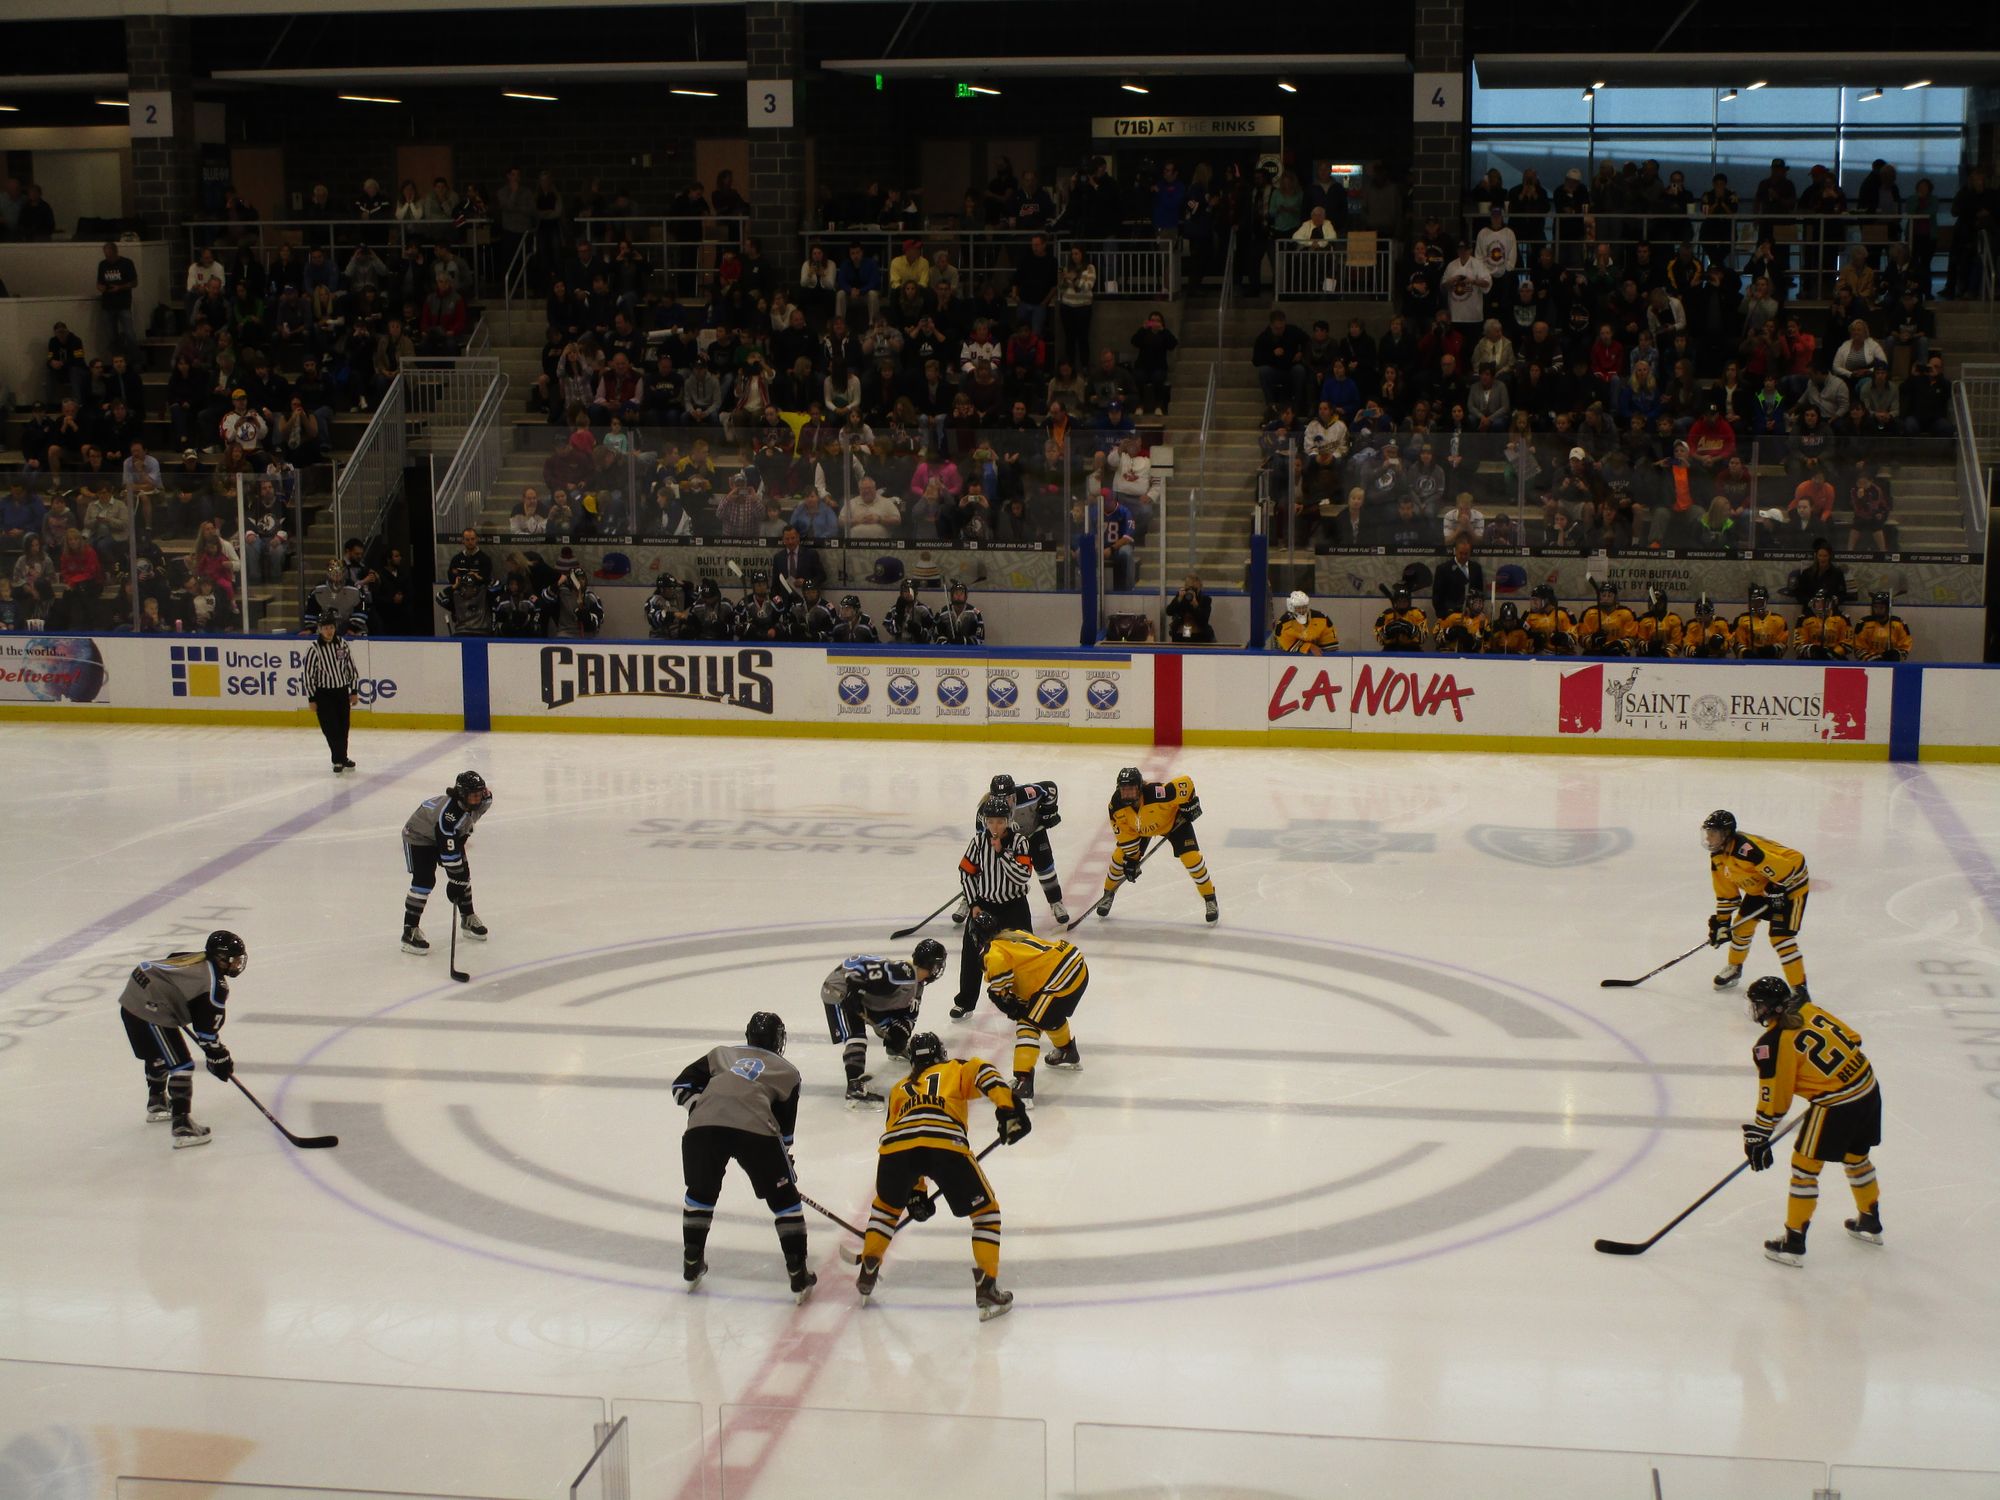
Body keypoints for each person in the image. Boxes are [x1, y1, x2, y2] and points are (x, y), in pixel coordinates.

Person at [853, 1031, 1026, 1320]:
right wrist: (1007, 1108)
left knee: (885, 1210)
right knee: (986, 1215)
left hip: (895, 1149)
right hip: (945, 1142)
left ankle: (869, 1266)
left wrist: (915, 1192)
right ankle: (987, 1288)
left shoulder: (899, 1088)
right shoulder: (954, 1068)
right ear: (941, 1053)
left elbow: (900, 1135)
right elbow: (985, 1072)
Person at [672, 1012, 815, 1303]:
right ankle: (798, 1272)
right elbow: (784, 1131)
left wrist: (704, 1107)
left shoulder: (721, 1054)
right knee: (785, 1202)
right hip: (756, 1132)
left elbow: (681, 1085)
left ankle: (691, 1261)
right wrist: (784, 1166)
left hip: (703, 1129)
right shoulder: (788, 1072)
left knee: (700, 1194)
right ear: (779, 1040)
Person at [1741, 977, 1883, 1268]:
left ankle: (1793, 1243)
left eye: (1757, 1005)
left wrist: (1759, 1134)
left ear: (1769, 1008)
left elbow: (1776, 1099)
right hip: (1867, 1087)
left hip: (1837, 1104)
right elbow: (1854, 1039)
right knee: (1856, 1157)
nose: (1754, 1010)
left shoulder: (1772, 1044)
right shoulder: (1809, 1009)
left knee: (1804, 1169)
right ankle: (1870, 1221)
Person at [113, 930, 247, 1149]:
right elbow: (207, 1034)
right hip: (150, 1008)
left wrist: (174, 999)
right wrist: (219, 1057)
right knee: (182, 1065)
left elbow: (171, 960)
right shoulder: (215, 987)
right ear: (222, 959)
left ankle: (157, 1103)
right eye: (235, 959)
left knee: (157, 1054)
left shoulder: (196, 957)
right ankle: (182, 1125)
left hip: (134, 996)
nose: (238, 964)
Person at [975, 911, 1087, 1109]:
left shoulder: (993, 952)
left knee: (1028, 1023)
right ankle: (1066, 1051)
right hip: (1075, 964)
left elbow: (1004, 993)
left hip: (1059, 980)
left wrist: (1002, 999)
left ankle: (1023, 1082)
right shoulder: (1013, 934)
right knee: (1045, 1013)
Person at [821, 942, 949, 1107]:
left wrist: (899, 1035)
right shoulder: (904, 973)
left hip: (865, 995)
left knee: (894, 1027)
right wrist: (854, 992)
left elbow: (908, 1014)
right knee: (856, 1036)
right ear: (932, 965)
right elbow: (860, 972)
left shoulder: (915, 985)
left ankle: (892, 1047)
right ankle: (854, 1086)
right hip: (839, 989)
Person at [1703, 809, 1810, 998]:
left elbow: (1786, 869)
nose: (1709, 838)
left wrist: (1777, 889)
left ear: (1726, 834)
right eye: (1707, 833)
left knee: (1781, 938)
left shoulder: (1746, 850)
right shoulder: (1718, 856)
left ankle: (1800, 990)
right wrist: (1722, 923)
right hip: (1763, 886)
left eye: (1714, 834)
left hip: (1791, 883)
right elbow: (1727, 894)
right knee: (1740, 928)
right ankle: (1735, 968)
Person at [950, 793, 1036, 1021]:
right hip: (985, 906)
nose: (995, 826)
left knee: (1025, 954)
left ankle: (1028, 997)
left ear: (1008, 820)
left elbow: (1022, 876)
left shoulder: (1020, 842)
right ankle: (965, 1002)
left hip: (1014, 907)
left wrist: (1001, 854)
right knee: (971, 953)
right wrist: (974, 905)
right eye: (990, 821)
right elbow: (966, 873)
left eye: (999, 821)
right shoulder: (977, 843)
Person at [1095, 767, 1216, 924]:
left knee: (1192, 860)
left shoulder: (1157, 793)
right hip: (1141, 831)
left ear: (1139, 788)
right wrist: (1132, 859)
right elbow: (1125, 834)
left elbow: (1186, 783)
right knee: (1119, 859)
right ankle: (1108, 895)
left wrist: (1190, 803)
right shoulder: (1116, 805)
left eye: (1131, 789)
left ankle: (1210, 898)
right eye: (1123, 789)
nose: (1126, 793)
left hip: (1174, 824)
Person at [401, 771, 492, 955]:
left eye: (479, 794)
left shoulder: (485, 799)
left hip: (445, 835)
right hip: (419, 837)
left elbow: (461, 832)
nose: (477, 798)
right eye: (472, 795)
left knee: (464, 875)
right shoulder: (448, 816)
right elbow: (448, 852)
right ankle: (409, 931)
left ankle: (467, 918)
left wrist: (458, 880)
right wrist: (455, 881)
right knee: (424, 881)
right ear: (461, 794)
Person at [973, 773, 1069, 924]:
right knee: (985, 868)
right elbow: (981, 841)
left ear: (1014, 794)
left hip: (1033, 834)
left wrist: (1047, 812)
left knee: (1045, 866)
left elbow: (1050, 788)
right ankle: (970, 900)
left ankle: (1056, 902)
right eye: (999, 799)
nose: (1004, 803)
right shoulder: (985, 812)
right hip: (1008, 840)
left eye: (1007, 798)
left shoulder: (1028, 794)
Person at [301, 614, 360, 773]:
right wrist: (312, 698)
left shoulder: (342, 644)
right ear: (320, 629)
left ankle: (343, 757)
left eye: (331, 627)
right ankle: (337, 759)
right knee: (330, 728)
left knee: (343, 727)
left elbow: (350, 668)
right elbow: (308, 674)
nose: (329, 631)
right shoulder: (314, 649)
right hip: (323, 694)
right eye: (325, 628)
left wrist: (354, 690)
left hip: (341, 692)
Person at [302, 558, 368, 636]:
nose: (336, 576)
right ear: (327, 573)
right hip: (327, 627)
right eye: (333, 572)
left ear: (344, 573)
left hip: (352, 628)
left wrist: (353, 628)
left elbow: (361, 610)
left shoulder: (355, 589)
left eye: (339, 573)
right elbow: (311, 611)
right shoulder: (318, 590)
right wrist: (310, 629)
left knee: (361, 636)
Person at [1577, 581, 1637, 657]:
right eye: (1603, 595)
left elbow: (1632, 638)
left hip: (1617, 653)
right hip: (1594, 653)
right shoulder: (1589, 613)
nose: (1606, 598)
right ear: (1599, 597)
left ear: (1615, 597)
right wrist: (1592, 640)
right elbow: (1580, 638)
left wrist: (1622, 645)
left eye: (1610, 595)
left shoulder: (1626, 613)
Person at [1793, 590, 1855, 661]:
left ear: (1831, 603)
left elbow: (1847, 643)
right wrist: (1813, 651)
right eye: (1817, 602)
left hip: (1835, 657)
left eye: (1823, 602)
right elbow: (1798, 644)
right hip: (1810, 658)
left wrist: (1834, 652)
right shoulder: (1804, 618)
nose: (1819, 604)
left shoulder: (1842, 618)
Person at [1274, 589, 1338, 653]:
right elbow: (1286, 642)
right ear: (1291, 607)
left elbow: (1329, 639)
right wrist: (1309, 647)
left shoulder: (1321, 618)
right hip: (1288, 656)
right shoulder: (1284, 622)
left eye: (1304, 607)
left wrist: (1327, 654)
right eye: (1298, 608)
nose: (1302, 610)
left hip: (1317, 656)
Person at [1733, 584, 1788, 659]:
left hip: (1772, 663)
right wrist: (1745, 653)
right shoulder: (1742, 620)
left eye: (1760, 601)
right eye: (1754, 601)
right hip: (1748, 663)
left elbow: (1783, 644)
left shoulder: (1779, 620)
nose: (1756, 604)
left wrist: (1772, 650)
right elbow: (1737, 643)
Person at [1855, 591, 1912, 661]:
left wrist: (1897, 655)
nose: (1878, 610)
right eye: (1875, 607)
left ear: (1888, 608)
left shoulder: (1899, 624)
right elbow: (1858, 648)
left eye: (1881, 607)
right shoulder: (1864, 624)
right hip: (1870, 665)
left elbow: (1905, 646)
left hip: (1893, 665)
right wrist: (1871, 658)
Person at [1632, 587, 1683, 657]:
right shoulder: (1644, 620)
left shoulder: (1674, 619)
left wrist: (1665, 654)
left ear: (1664, 603)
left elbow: (1677, 644)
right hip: (1647, 659)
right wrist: (1649, 647)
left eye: (1659, 603)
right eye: (1653, 602)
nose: (1656, 605)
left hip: (1668, 661)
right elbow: (1639, 643)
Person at [1373, 584, 1427, 651]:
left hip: (1412, 649)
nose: (1402, 604)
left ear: (1409, 602)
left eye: (1404, 601)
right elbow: (1379, 638)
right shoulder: (1386, 614)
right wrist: (1386, 630)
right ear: (1395, 602)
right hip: (1391, 649)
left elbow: (1422, 638)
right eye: (1399, 601)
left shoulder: (1418, 613)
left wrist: (1411, 629)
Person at [1165, 574, 1214, 644]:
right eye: (1189, 587)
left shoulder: (1205, 600)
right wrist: (1178, 599)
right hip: (1180, 633)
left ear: (1200, 587)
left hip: (1199, 635)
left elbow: (1204, 619)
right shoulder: (1181, 597)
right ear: (1185, 587)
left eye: (1194, 588)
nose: (1191, 591)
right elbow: (1169, 611)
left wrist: (1196, 605)